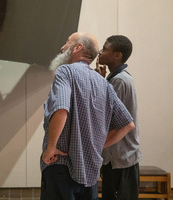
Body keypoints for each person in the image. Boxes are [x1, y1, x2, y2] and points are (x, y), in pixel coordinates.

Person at [40, 32, 136, 200]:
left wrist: (51, 148)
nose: (62, 47)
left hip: (62, 166)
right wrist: (97, 145)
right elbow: (128, 125)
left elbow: (61, 108)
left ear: (77, 48)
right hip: (90, 171)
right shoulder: (103, 82)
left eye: (67, 42)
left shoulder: (65, 72)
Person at [96, 35, 142, 200]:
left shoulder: (120, 81)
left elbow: (109, 117)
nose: (99, 52)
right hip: (117, 157)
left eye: (104, 49)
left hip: (121, 158)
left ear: (117, 55)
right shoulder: (115, 78)